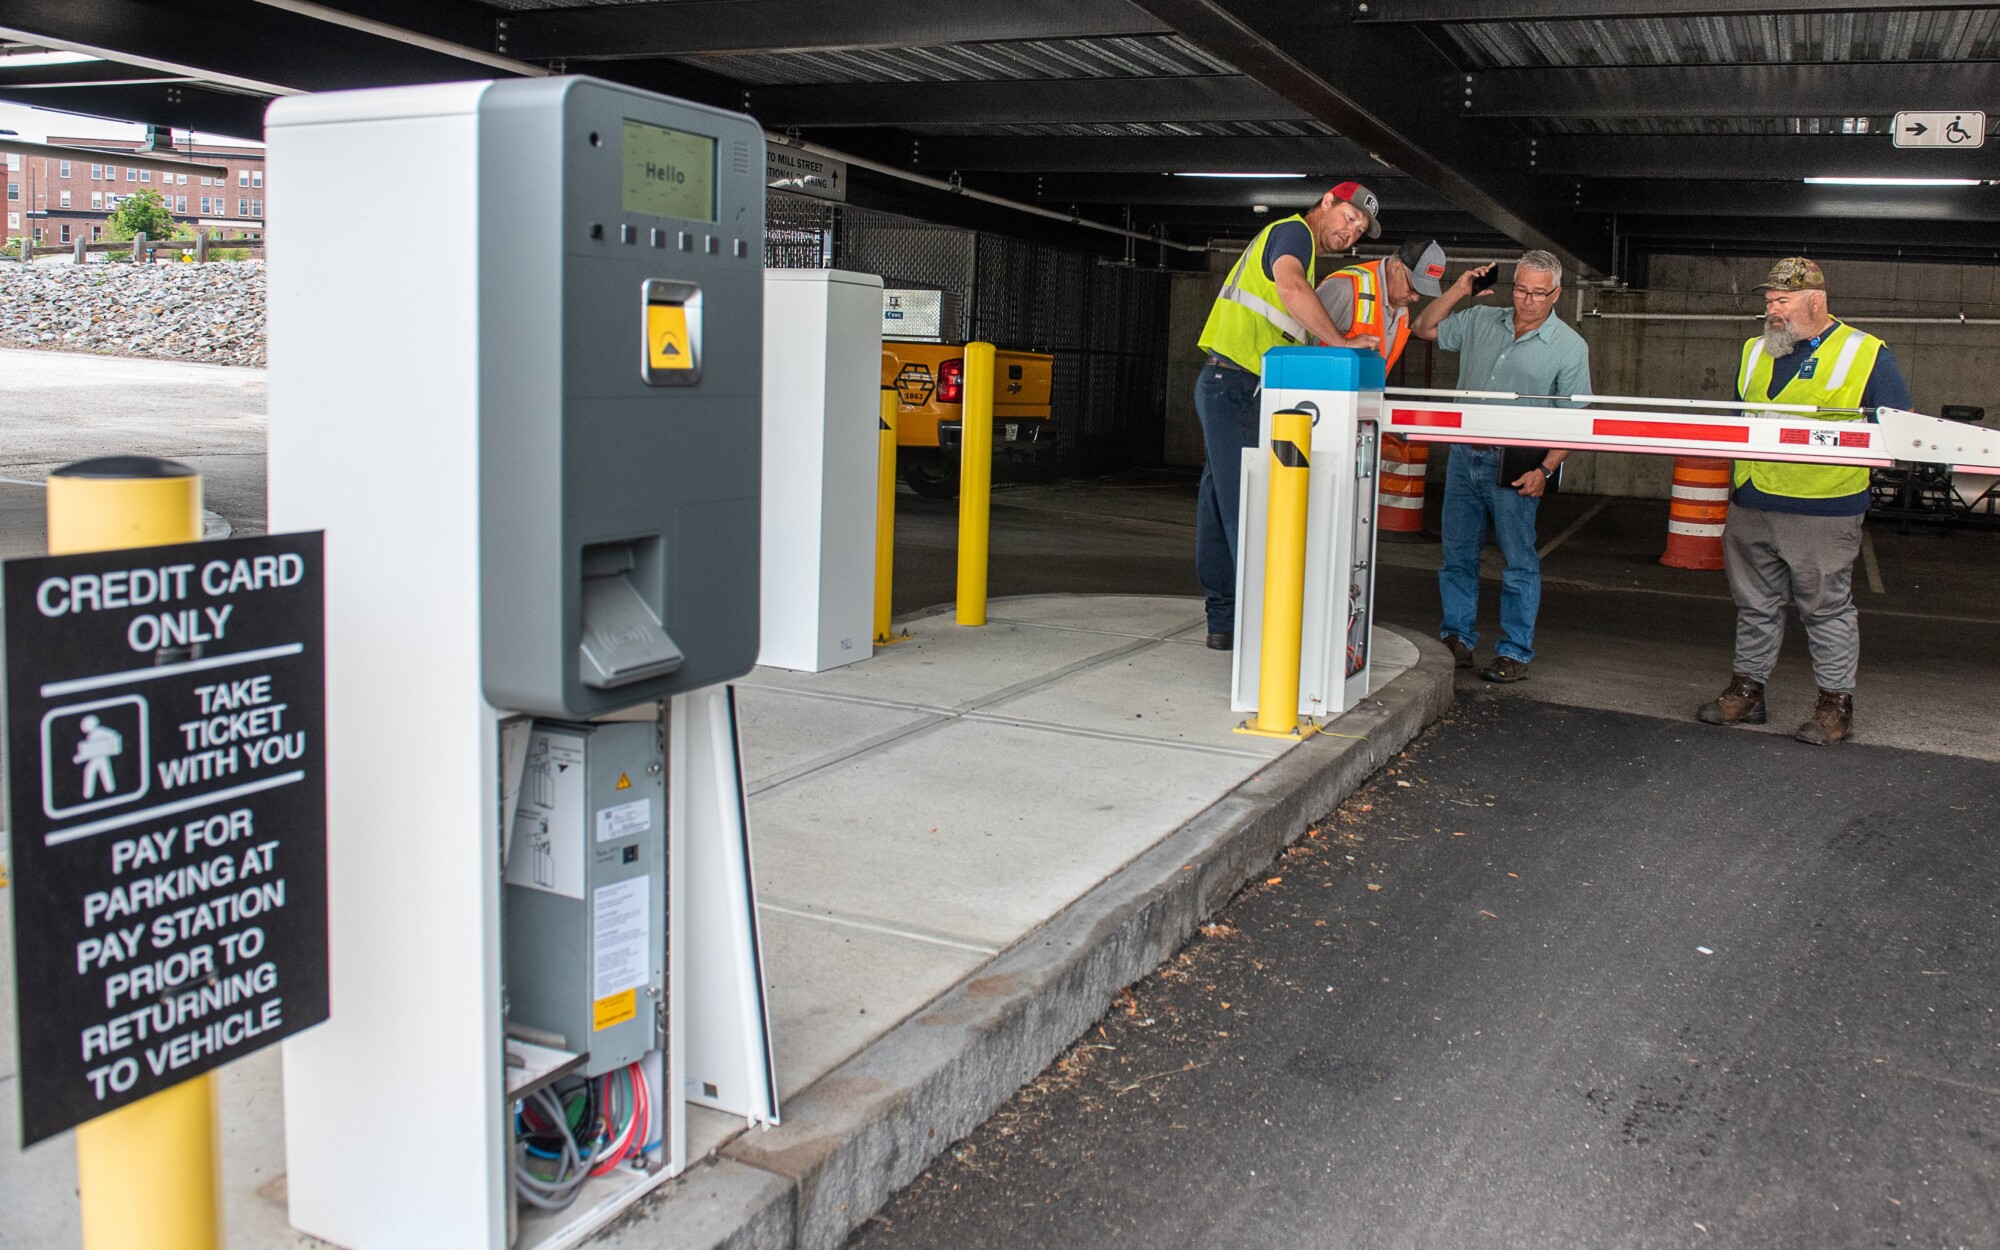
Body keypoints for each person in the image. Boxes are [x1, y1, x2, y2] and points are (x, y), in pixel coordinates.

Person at [1696, 257, 1910, 745]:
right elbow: (1738, 421)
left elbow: (1899, 426)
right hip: (1753, 503)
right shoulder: (1755, 350)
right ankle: (1747, 693)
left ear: (1816, 301)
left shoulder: (1865, 352)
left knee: (1827, 608)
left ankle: (1836, 705)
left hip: (1822, 508)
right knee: (1754, 603)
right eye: (1768, 301)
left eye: (1782, 301)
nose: (1772, 310)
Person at [1193, 181, 1382, 649]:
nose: (1352, 231)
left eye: (1360, 228)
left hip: (1235, 386)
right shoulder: (1294, 235)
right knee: (1249, 509)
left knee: (1220, 508)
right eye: (1349, 216)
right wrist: (1340, 345)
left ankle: (1225, 623)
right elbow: (1290, 286)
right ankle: (1264, 638)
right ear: (1327, 203)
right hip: (1235, 385)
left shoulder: (1305, 250)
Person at [1410, 249, 1592, 683]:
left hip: (1517, 463)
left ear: (1557, 294)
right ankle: (1457, 638)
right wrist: (1460, 288)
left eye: (1538, 293)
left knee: (1518, 561)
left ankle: (1514, 652)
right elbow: (1422, 327)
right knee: (1457, 555)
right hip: (1463, 455)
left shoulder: (1569, 347)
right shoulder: (1479, 321)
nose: (1527, 300)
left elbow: (1577, 419)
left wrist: (1545, 470)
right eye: (1521, 290)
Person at [1315, 237, 1447, 371]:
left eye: (1421, 293)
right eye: (1414, 289)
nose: (1415, 298)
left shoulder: (1402, 309)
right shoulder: (1345, 288)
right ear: (1396, 268)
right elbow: (1300, 342)